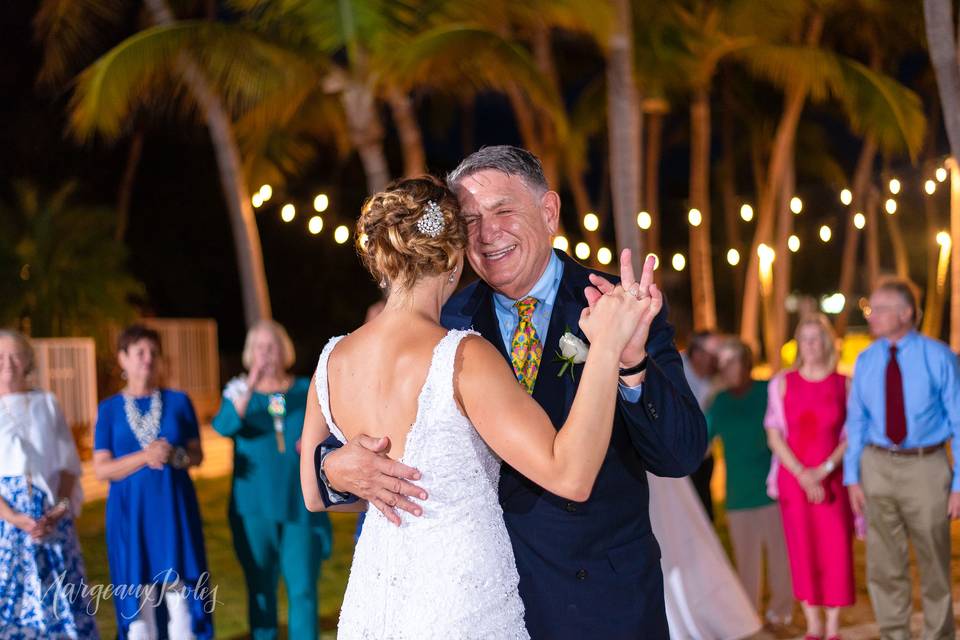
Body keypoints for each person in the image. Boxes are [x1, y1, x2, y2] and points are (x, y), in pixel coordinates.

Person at [313, 146, 708, 639]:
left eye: (503, 211)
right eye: (470, 220)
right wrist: (331, 468)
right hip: (477, 600)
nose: (486, 233)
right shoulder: (445, 327)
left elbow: (681, 453)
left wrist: (629, 361)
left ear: (548, 213)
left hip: (602, 602)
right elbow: (379, 426)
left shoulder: (616, 304)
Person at [844, 277, 960, 640]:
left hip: (926, 466)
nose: (872, 316)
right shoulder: (866, 360)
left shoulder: (939, 356)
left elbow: (959, 420)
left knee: (934, 562)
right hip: (877, 465)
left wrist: (958, 484)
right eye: (870, 308)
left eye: (880, 309)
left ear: (906, 313)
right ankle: (895, 634)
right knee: (883, 564)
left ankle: (938, 634)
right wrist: (853, 477)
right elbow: (857, 421)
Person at [213, 320, 332, 640]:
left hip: (299, 504)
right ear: (250, 354)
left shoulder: (305, 389)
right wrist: (249, 385)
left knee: (303, 590)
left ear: (285, 349)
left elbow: (332, 432)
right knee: (261, 590)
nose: (266, 353)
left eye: (272, 346)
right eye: (259, 347)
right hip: (254, 509)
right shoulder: (239, 393)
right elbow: (223, 426)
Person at [93, 325, 213, 640]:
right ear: (122, 359)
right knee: (139, 597)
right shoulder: (108, 410)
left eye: (153, 353)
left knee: (180, 596)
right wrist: (145, 456)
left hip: (172, 509)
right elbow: (102, 469)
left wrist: (174, 455)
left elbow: (197, 456)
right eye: (139, 352)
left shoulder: (178, 401)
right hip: (131, 515)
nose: (147, 359)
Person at [0, 329, 99, 639]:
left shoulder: (46, 402)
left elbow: (69, 467)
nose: (8, 363)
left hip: (52, 522)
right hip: (8, 526)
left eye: (15, 355)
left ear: (28, 361)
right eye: (1, 356)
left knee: (62, 605)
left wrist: (58, 510)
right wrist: (14, 517)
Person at [765, 315, 854, 640]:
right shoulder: (782, 383)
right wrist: (803, 474)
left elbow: (851, 434)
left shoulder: (843, 383)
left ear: (828, 342)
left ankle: (832, 628)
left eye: (817, 338)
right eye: (805, 338)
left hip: (832, 481)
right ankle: (813, 625)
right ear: (798, 344)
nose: (812, 345)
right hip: (794, 481)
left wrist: (824, 470)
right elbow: (774, 434)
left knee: (836, 551)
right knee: (802, 551)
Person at [707, 339, 793, 627]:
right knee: (746, 563)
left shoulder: (768, 391)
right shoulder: (719, 403)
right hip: (738, 497)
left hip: (773, 492)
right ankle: (749, 616)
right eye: (723, 363)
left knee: (781, 559)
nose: (726, 367)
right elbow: (700, 443)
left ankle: (782, 613)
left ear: (747, 362)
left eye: (732, 360)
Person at [681, 330, 721, 519]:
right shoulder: (675, 369)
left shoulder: (714, 379)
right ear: (697, 353)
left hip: (704, 456)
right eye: (713, 354)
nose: (718, 359)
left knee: (705, 513)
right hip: (679, 458)